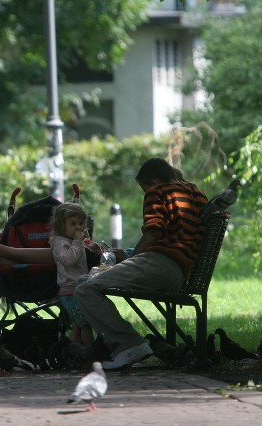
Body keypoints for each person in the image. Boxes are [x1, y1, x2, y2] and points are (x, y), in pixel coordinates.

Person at [74, 157, 207, 370]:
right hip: (178, 273)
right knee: (84, 280)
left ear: (153, 182)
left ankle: (128, 345)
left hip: (159, 265)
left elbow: (155, 230)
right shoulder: (197, 194)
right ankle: (109, 345)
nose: (145, 193)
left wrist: (132, 257)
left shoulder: (158, 191)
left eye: (144, 188)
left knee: (84, 289)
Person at [48, 203, 95, 347]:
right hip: (71, 292)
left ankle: (71, 353)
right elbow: (69, 260)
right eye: (73, 224)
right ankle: (93, 354)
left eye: (81, 223)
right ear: (61, 225)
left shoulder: (71, 241)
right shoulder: (59, 243)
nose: (78, 227)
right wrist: (77, 243)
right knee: (86, 325)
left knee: (77, 326)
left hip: (76, 289)